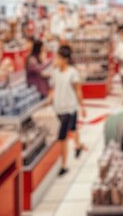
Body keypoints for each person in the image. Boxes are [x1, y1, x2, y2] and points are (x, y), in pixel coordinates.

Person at [48, 45, 87, 176]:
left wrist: (82, 106)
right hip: (58, 108)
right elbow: (53, 87)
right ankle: (78, 146)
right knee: (73, 129)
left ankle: (64, 165)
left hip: (69, 108)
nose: (56, 60)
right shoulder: (55, 72)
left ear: (65, 59)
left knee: (62, 138)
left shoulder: (72, 73)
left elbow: (78, 90)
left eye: (58, 57)